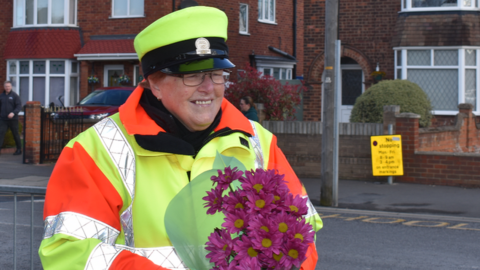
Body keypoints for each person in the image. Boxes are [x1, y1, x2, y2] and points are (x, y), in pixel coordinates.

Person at [39, 6, 322, 270]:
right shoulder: (95, 150)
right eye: (193, 76)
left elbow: (302, 233)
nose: (209, 88)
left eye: (216, 73)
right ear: (154, 84)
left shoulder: (259, 141)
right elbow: (69, 253)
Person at [0, 81, 22, 155]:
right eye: (6, 86)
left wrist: (13, 113)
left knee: (15, 134)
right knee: (1, 134)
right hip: (3, 119)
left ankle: (19, 149)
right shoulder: (1, 96)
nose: (7, 88)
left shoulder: (15, 95)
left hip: (13, 119)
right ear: (4, 87)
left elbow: (19, 106)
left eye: (9, 86)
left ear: (11, 87)